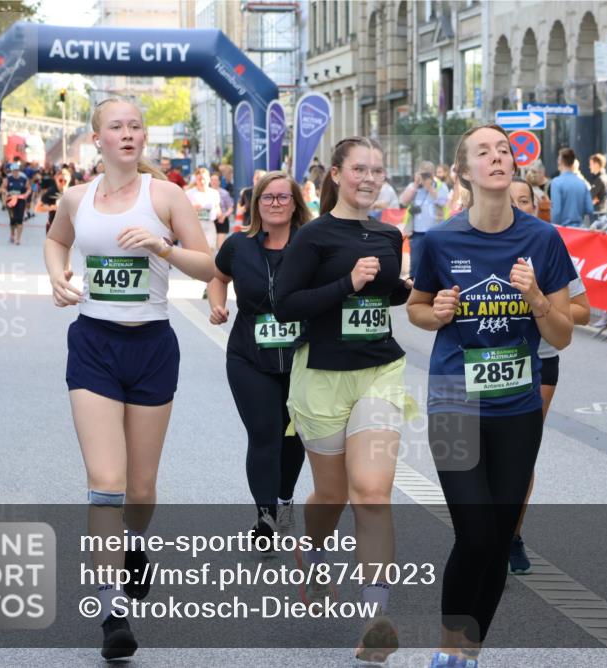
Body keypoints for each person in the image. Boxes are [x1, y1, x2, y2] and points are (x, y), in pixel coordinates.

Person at [43, 98, 215, 660]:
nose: (128, 133)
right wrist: (56, 276)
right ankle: (112, 608)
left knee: (140, 491)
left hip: (152, 347)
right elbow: (55, 239)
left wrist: (162, 246)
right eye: (115, 126)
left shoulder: (165, 196)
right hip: (94, 344)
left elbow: (209, 264)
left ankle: (135, 544)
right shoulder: (76, 198)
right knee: (106, 481)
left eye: (135, 125)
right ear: (97, 138)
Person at [407, 124, 575, 667]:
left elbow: (563, 336)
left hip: (518, 407)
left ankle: (469, 653)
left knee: (499, 540)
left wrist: (535, 300)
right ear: (465, 172)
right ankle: (444, 649)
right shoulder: (439, 240)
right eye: (484, 151)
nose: (497, 157)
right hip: (454, 400)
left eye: (503, 149)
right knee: (475, 533)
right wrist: (436, 314)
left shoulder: (543, 241)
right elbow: (417, 307)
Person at [273, 136, 414, 664]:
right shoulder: (313, 237)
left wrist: (410, 289)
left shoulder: (387, 232)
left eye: (377, 169)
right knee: (330, 496)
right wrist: (346, 286)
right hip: (322, 377)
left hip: (379, 370)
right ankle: (311, 552)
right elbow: (285, 305)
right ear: (336, 173)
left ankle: (376, 619)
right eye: (359, 168)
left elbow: (388, 295)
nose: (370, 177)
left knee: (372, 494)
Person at [206, 171, 311, 550]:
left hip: (304, 357)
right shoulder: (238, 246)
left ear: (296, 203)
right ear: (256, 205)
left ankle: (284, 498)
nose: (276, 203)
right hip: (250, 356)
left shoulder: (313, 244)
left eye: (284, 197)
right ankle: (265, 517)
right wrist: (218, 304)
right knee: (265, 434)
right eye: (268, 198)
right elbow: (216, 277)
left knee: (294, 434)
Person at [506, 177, 590, 576]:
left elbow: (583, 311)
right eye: (511, 200)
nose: (518, 207)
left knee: (519, 453)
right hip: (484, 359)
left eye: (525, 200)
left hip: (539, 358)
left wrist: (541, 307)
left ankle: (512, 535)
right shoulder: (474, 242)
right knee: (480, 455)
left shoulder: (545, 244)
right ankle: (482, 532)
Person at [400, 161, 449, 278]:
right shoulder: (414, 187)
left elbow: (443, 202)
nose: (425, 178)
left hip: (435, 232)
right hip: (417, 233)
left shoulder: (441, 186)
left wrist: (430, 188)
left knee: (435, 263)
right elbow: (403, 201)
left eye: (427, 175)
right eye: (423, 175)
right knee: (416, 265)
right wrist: (416, 185)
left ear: (433, 175)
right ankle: (412, 290)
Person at [550, 148, 594, 227]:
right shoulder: (582, 183)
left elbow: (556, 212)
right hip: (579, 230)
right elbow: (590, 209)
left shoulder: (556, 183)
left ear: (560, 161)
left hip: (563, 231)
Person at [185, 167, 222, 251]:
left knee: (210, 250)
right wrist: (193, 208)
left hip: (209, 225)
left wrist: (219, 215)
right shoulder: (189, 193)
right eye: (199, 179)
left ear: (209, 179)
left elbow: (218, 209)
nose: (202, 181)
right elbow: (182, 211)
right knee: (196, 252)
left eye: (204, 179)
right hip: (194, 226)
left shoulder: (214, 193)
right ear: (196, 180)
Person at [37, 166, 72, 235]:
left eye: (65, 180)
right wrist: (51, 207)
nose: (63, 183)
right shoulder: (51, 191)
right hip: (53, 225)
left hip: (68, 227)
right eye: (60, 180)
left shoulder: (72, 191)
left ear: (69, 179)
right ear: (56, 179)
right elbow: (39, 207)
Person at [3, 162, 29, 245]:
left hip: (20, 200)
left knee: (19, 220)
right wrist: (6, 192)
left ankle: (18, 239)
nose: (15, 172)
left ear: (18, 170)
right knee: (13, 220)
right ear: (11, 171)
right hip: (10, 201)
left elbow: (29, 188)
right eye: (13, 171)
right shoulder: (8, 178)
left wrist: (26, 194)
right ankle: (12, 234)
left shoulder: (23, 179)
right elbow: (2, 188)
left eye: (16, 170)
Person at [210, 172, 235, 248]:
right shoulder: (206, 193)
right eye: (212, 180)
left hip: (222, 220)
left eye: (216, 180)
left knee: (220, 246)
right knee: (211, 245)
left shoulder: (225, 193)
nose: (214, 182)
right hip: (209, 221)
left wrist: (224, 216)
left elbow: (230, 207)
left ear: (219, 182)